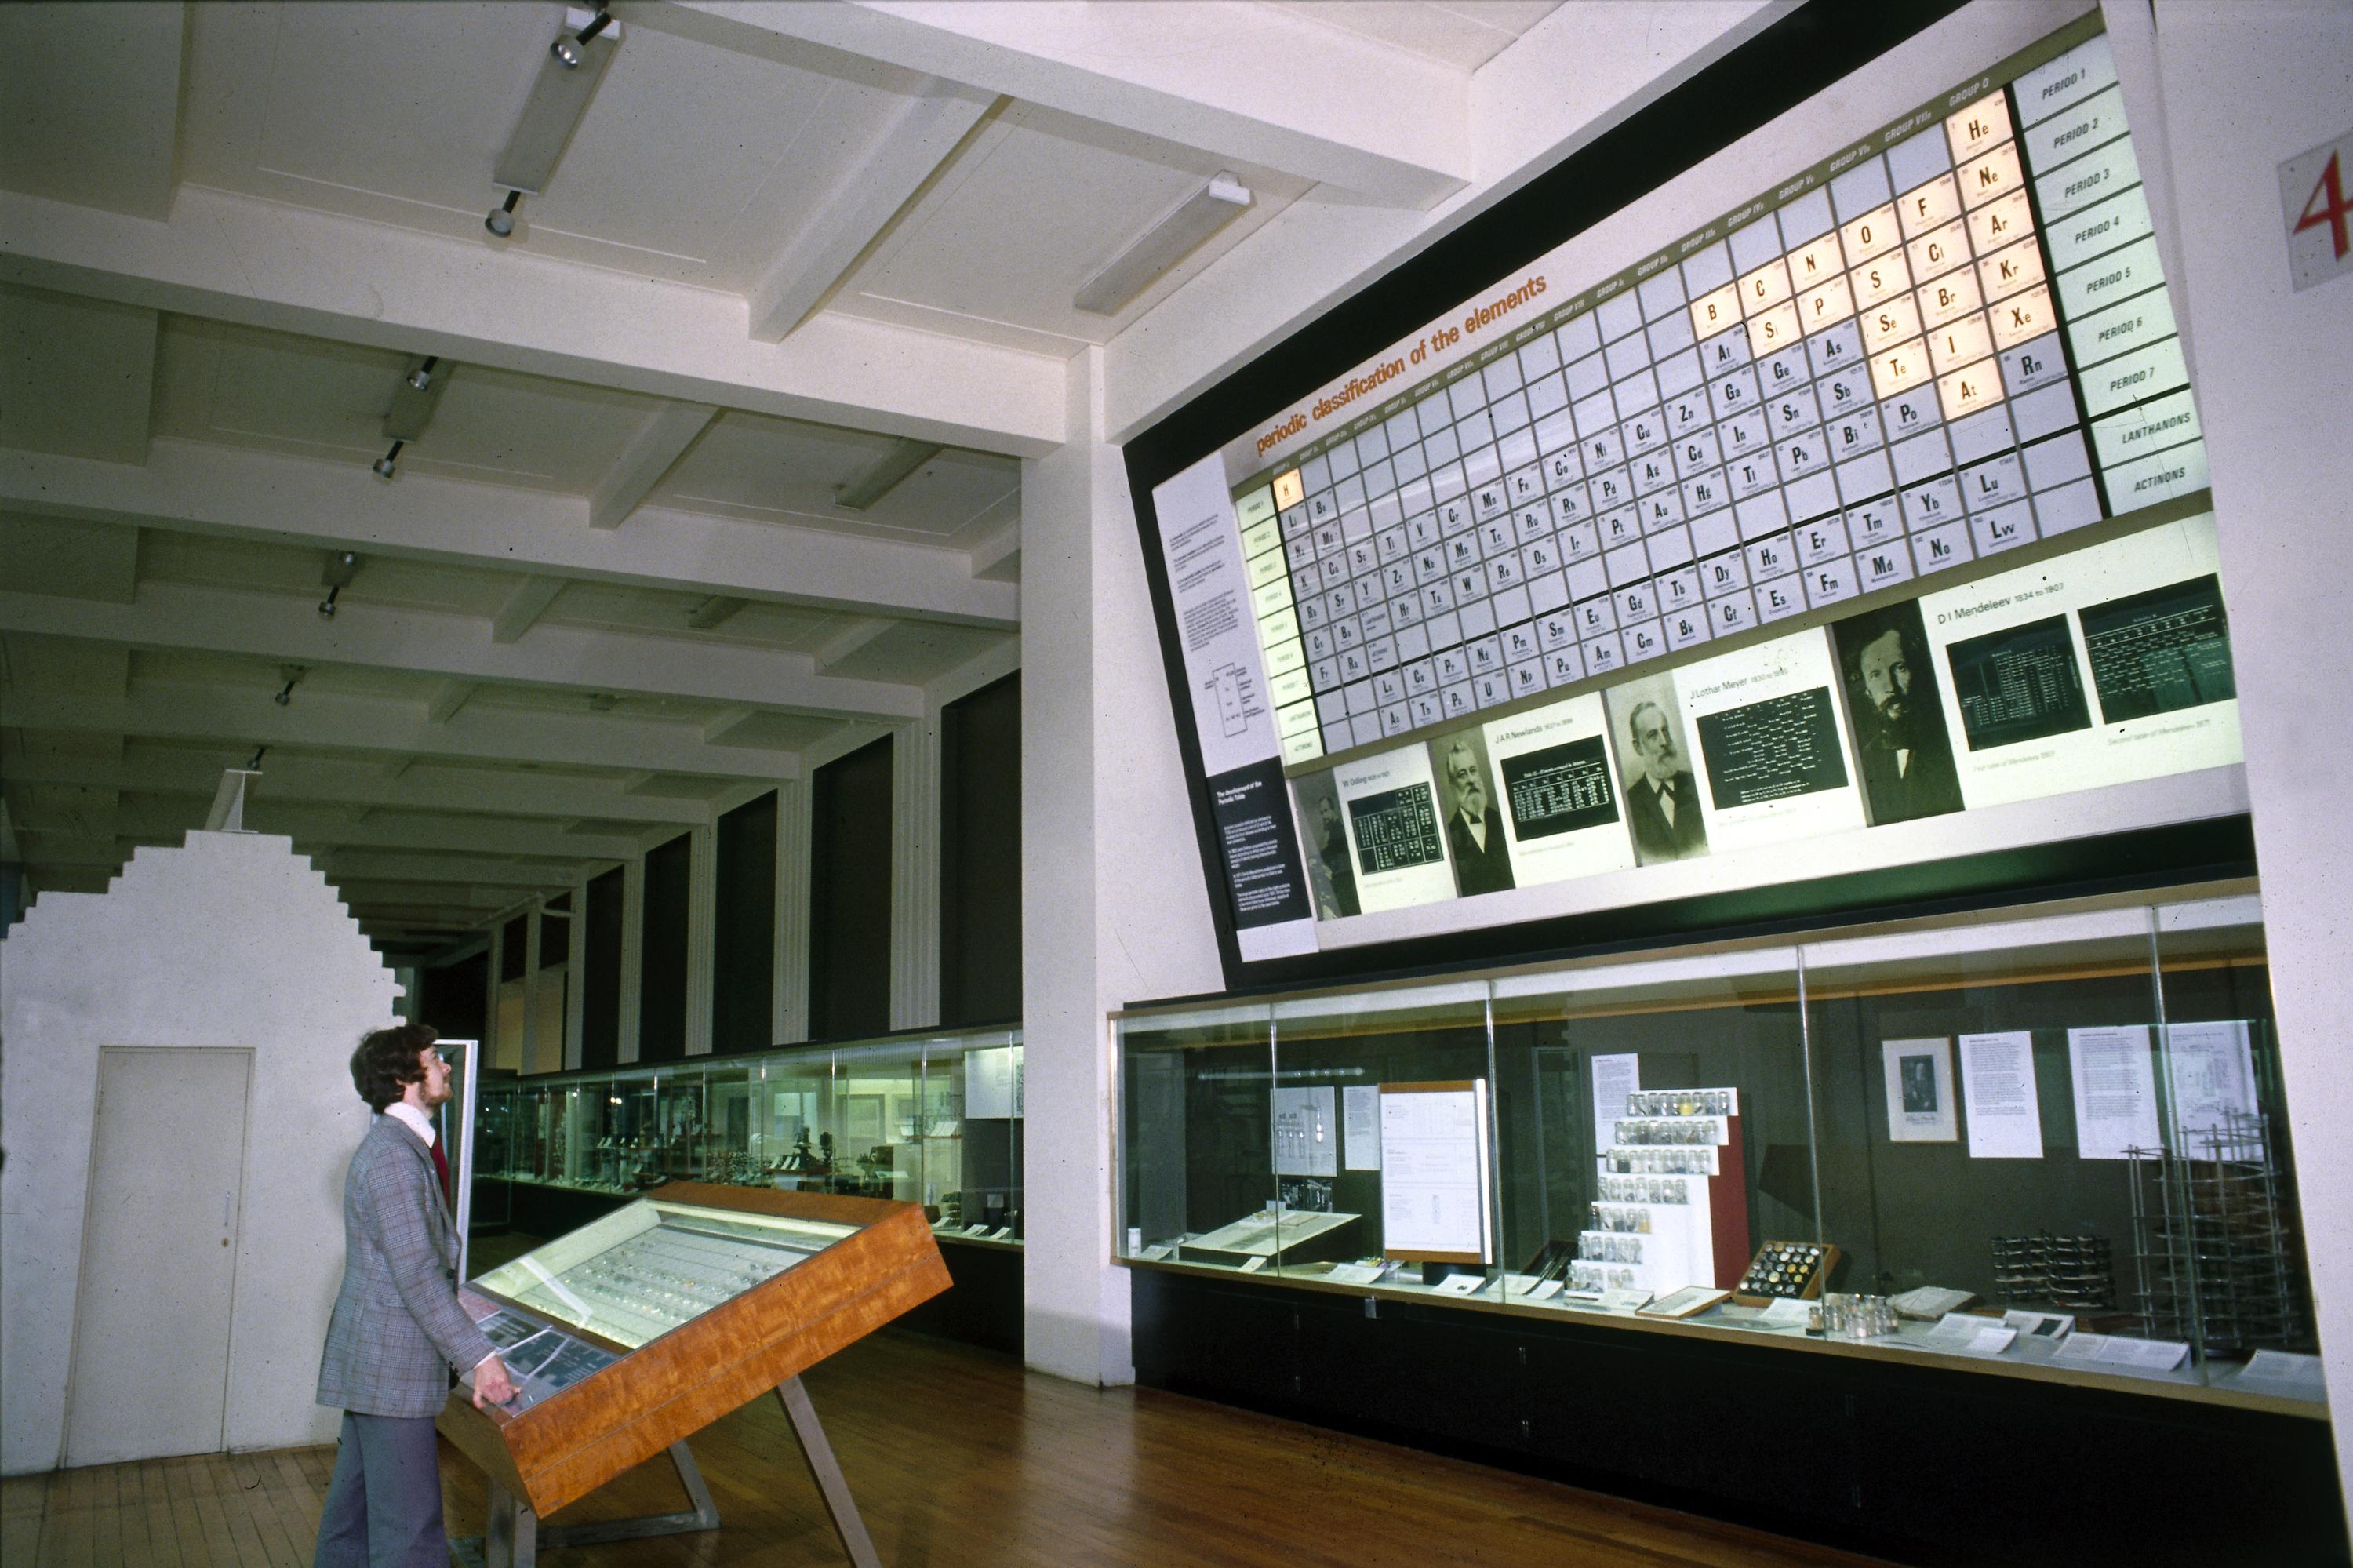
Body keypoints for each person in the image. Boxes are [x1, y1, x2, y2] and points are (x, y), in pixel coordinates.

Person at [315, 1023, 514, 1568]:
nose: (445, 1066)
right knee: (411, 1535)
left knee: (351, 1526)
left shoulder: (400, 1149)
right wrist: (480, 1358)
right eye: (434, 1058)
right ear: (406, 1077)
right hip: (393, 1373)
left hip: (376, 1369)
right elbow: (420, 1274)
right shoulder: (396, 1159)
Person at [1853, 622, 1963, 823]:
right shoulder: (1868, 757)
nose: (1891, 687)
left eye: (1899, 668)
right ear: (1868, 691)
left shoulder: (1952, 742)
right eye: (1876, 675)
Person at [1622, 700, 1708, 862]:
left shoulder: (1697, 784)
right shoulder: (1629, 804)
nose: (1664, 741)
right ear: (1638, 747)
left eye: (1665, 731)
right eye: (1652, 735)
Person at [1442, 740, 1515, 894]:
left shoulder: (1504, 822)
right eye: (1462, 774)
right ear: (1452, 785)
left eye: (1473, 771)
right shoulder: (1448, 838)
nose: (1471, 780)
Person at [1305, 791, 1359, 919]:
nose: (1324, 816)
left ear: (1333, 810)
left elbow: (1335, 851)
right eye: (1322, 813)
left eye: (1326, 811)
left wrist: (1316, 859)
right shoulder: (1327, 832)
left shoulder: (1340, 831)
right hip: (1336, 885)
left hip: (1346, 883)